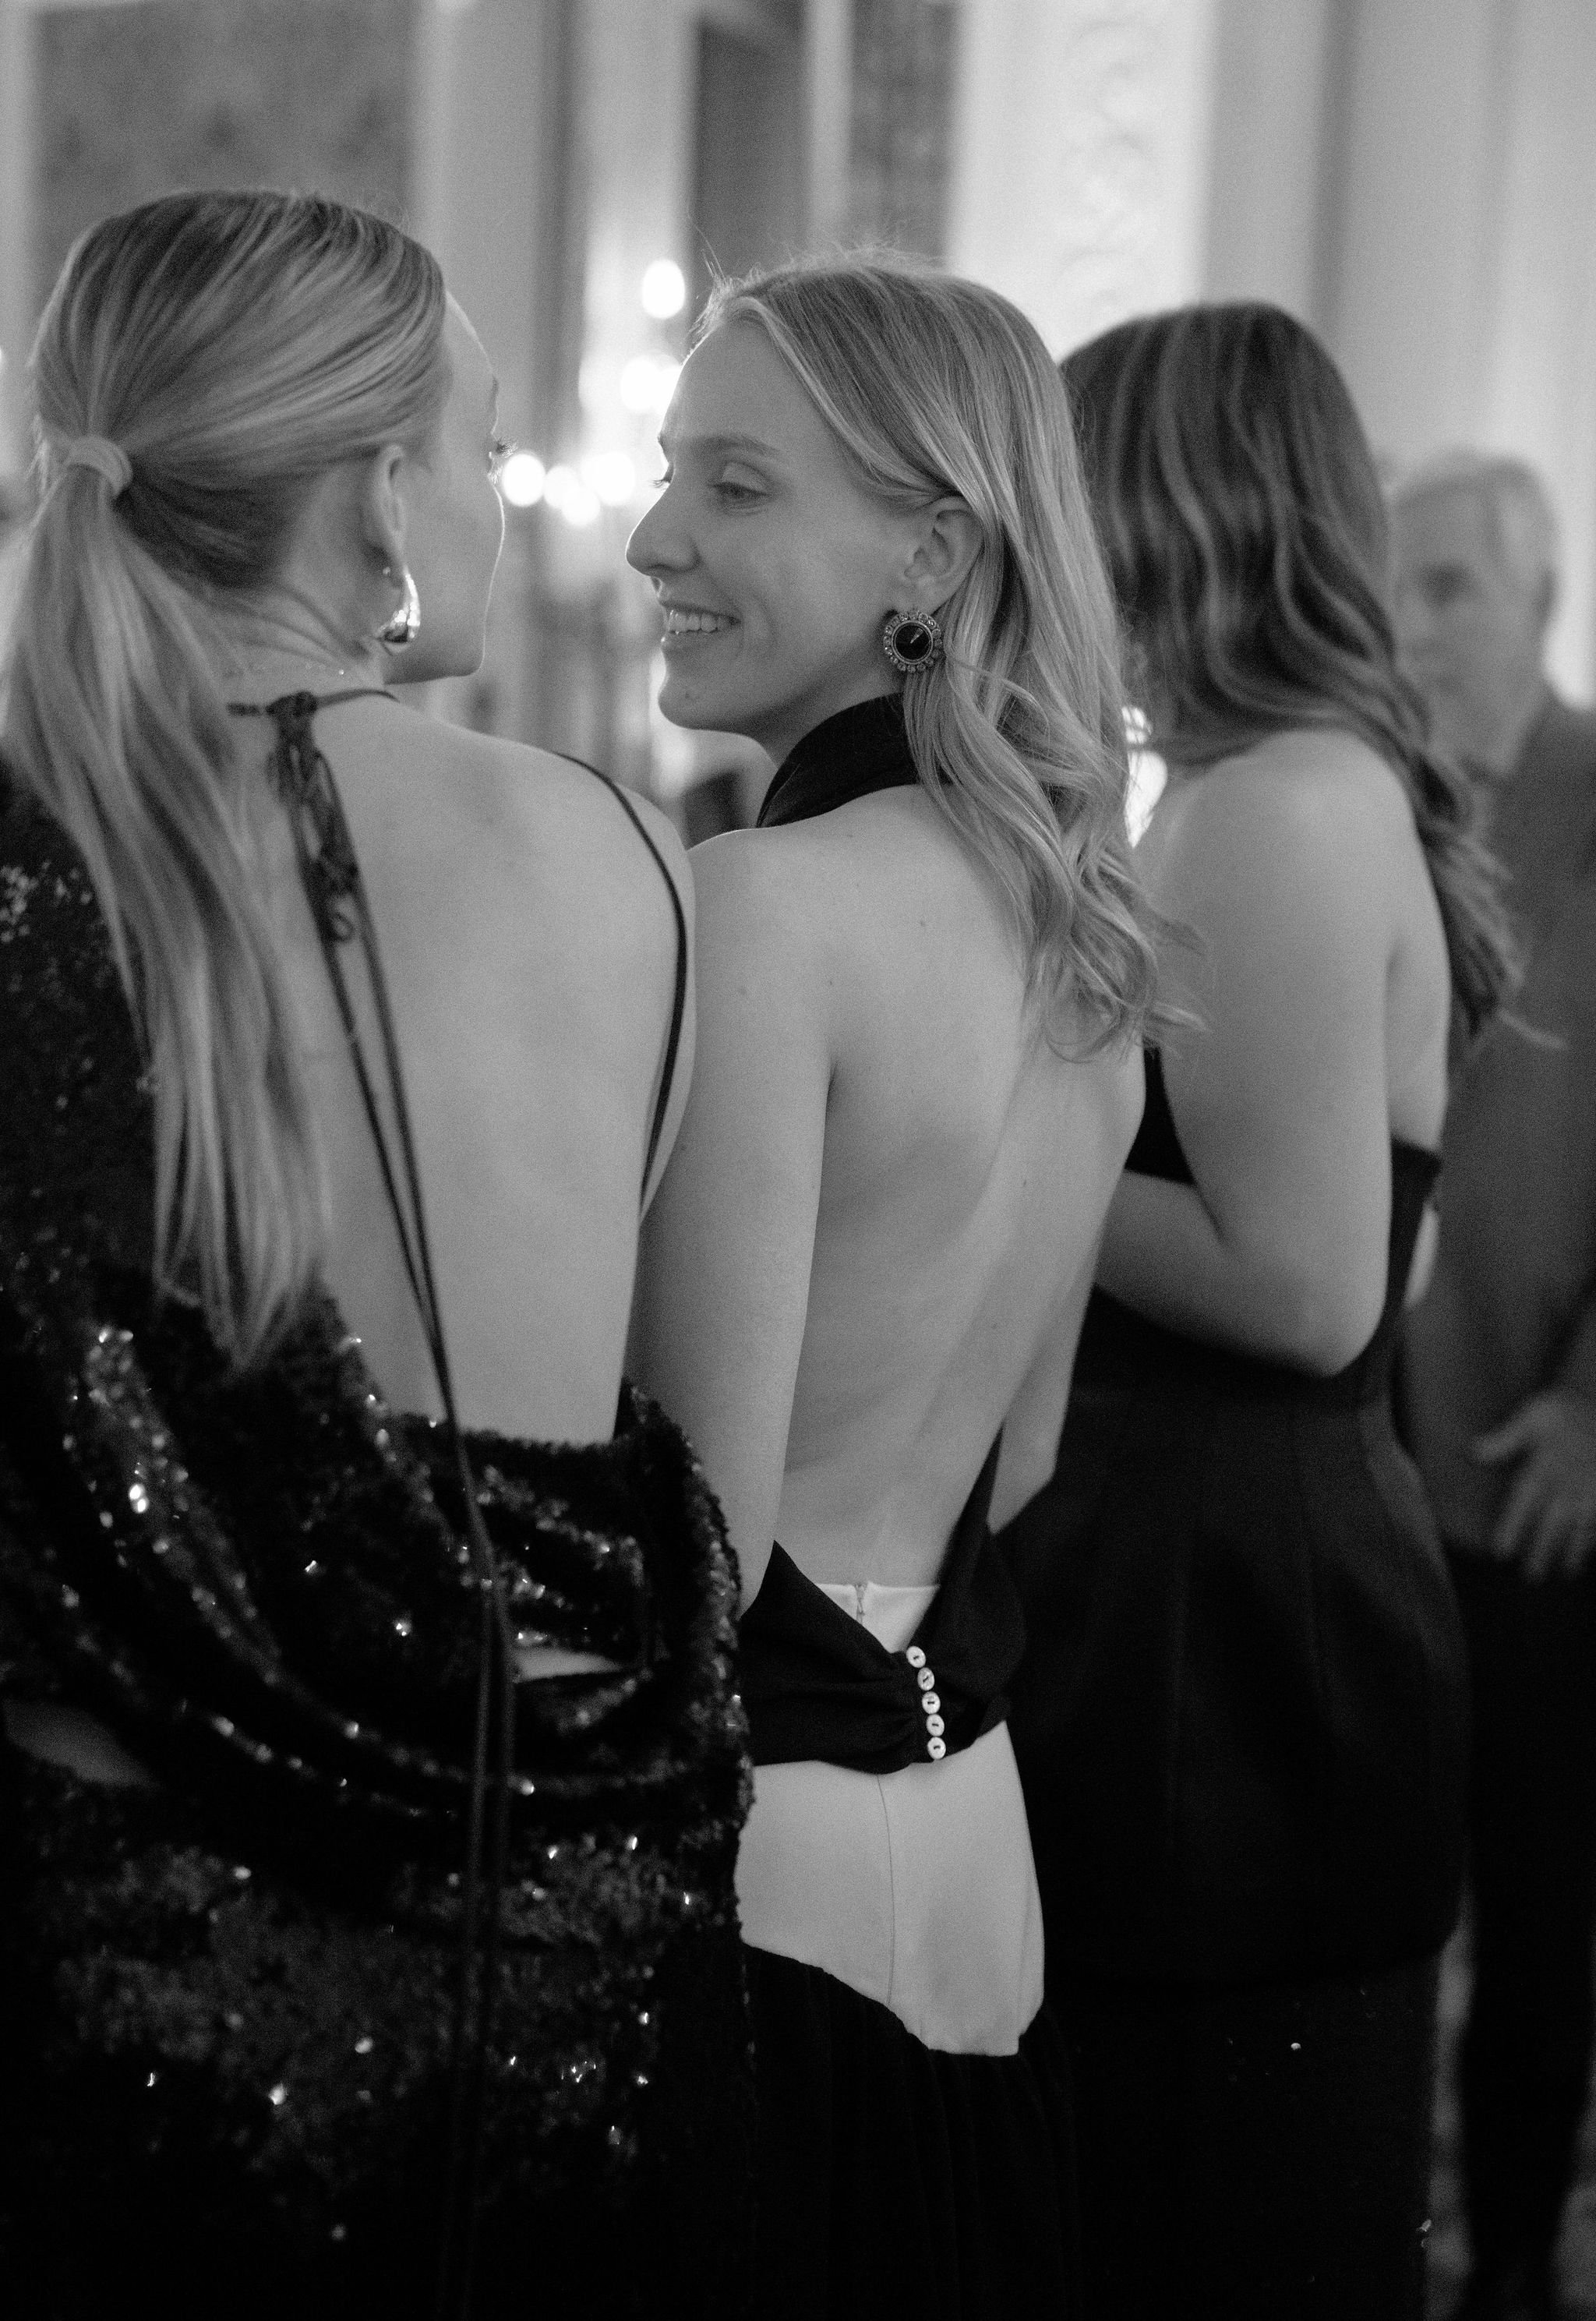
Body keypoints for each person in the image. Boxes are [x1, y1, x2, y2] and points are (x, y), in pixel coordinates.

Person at [0, 189, 751, 2320]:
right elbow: (676, 1440)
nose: (509, 495)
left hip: (105, 1954)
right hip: (542, 1942)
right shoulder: (607, 853)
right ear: (378, 492)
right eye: (487, 448)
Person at [626, 254, 1152, 2319]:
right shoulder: (1081, 938)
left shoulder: (767, 908)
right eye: (670, 471)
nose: (656, 538)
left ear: (931, 555)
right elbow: (1017, 1467)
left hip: (762, 1852)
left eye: (737, 485)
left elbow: (693, 1527)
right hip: (969, 1832)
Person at [996, 304, 1517, 2320]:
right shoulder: (1277, 785)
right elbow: (1395, 1254)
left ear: (1169, 508)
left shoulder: (1278, 803)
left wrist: (1011, 1148)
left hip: (1224, 1638)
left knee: (1208, 2216)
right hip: (1219, 1587)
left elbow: (1311, 1293)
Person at [1393, 452, 1596, 2321]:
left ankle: (1517, 2257)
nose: (1410, 625)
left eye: (1447, 585)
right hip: (1368, 1441)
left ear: (1539, 596)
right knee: (1379, 1882)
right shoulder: (1363, 800)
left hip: (1538, 1446)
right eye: (1391, 586)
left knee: (1541, 1901)